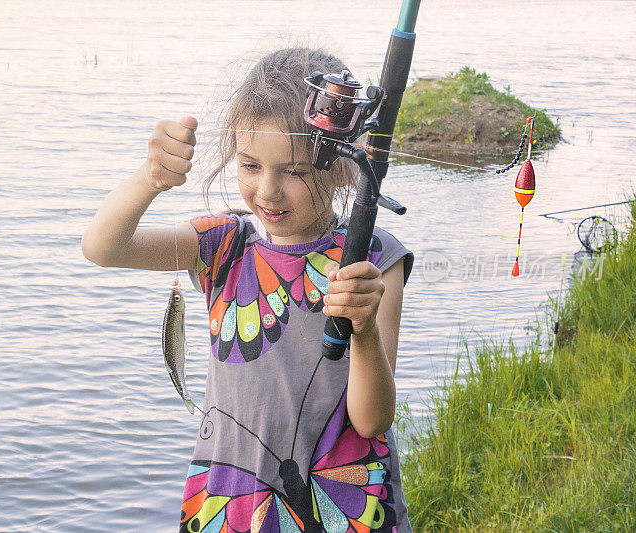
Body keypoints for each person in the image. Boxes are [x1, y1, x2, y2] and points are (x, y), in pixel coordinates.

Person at [82, 47, 414, 533]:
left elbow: (371, 420)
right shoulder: (222, 245)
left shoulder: (375, 259)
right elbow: (103, 248)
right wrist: (149, 180)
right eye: (251, 165)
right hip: (234, 504)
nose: (268, 191)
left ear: (343, 165)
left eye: (295, 171)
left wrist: (361, 328)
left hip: (344, 509)